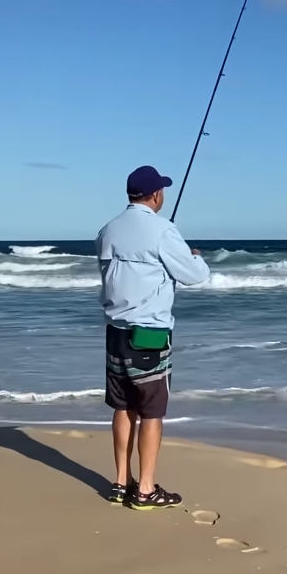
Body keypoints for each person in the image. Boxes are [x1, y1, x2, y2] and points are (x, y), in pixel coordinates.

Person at [95, 165, 210, 510]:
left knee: (122, 406)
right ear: (156, 195)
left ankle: (119, 482)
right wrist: (196, 259)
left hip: (115, 331)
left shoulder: (107, 230)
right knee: (152, 411)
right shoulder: (164, 230)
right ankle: (145, 489)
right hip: (149, 333)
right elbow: (193, 276)